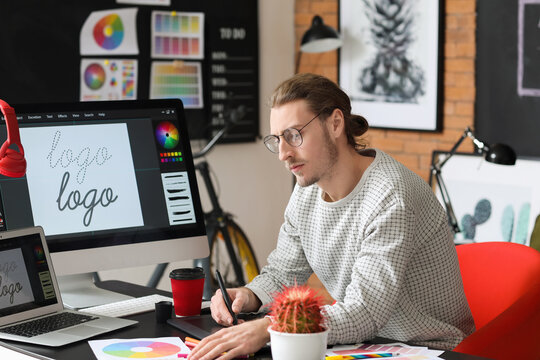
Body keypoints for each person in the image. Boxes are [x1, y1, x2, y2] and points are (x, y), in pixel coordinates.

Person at [187, 73, 474, 360]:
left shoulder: (391, 197)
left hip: (429, 350)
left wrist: (269, 328)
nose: (283, 154)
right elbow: (284, 273)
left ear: (335, 123)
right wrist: (250, 296)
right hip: (367, 344)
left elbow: (364, 311)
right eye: (277, 140)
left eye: (294, 135)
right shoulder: (308, 188)